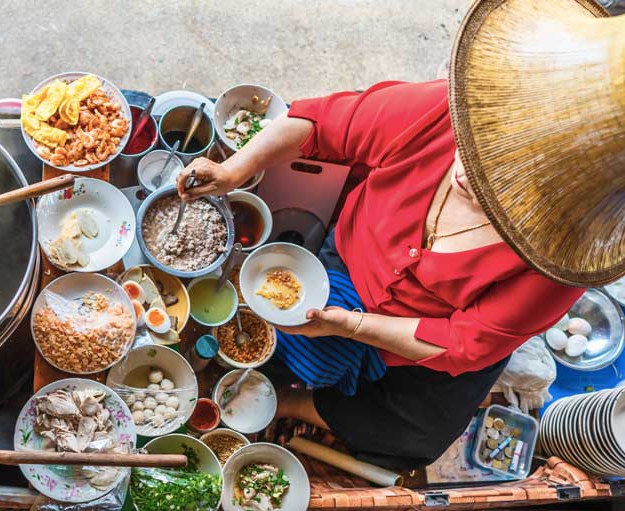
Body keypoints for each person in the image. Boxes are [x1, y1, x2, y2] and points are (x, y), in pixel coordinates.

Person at [176, 78, 585, 469]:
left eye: (498, 183)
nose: (466, 172)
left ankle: (290, 402)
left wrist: (353, 326)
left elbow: (463, 343)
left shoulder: (557, 262)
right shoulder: (444, 111)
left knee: (418, 438)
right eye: (474, 145)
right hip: (350, 259)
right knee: (280, 345)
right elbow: (322, 124)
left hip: (424, 330)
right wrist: (234, 170)